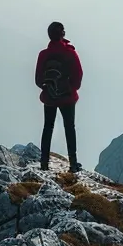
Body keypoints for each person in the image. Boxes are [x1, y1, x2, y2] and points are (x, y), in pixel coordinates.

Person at [34, 21, 83, 171]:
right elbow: (78, 74)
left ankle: (44, 163)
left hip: (49, 97)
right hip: (67, 98)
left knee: (48, 127)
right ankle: (73, 164)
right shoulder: (70, 53)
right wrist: (71, 88)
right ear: (63, 34)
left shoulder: (44, 54)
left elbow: (38, 79)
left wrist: (47, 88)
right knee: (69, 128)